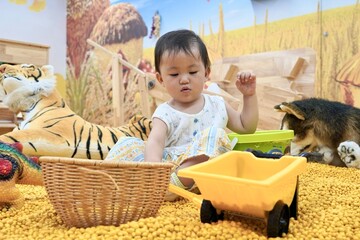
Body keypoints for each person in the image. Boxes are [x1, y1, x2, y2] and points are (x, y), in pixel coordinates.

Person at [105, 29, 258, 200]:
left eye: (192, 72)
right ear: (161, 79)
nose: (184, 79)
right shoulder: (164, 112)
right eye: (174, 74)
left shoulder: (217, 105)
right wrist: (154, 171)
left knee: (215, 135)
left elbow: (247, 127)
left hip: (204, 172)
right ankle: (143, 185)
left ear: (206, 73)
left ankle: (174, 185)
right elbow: (155, 142)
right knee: (128, 144)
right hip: (168, 170)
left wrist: (249, 96)